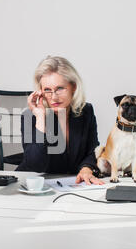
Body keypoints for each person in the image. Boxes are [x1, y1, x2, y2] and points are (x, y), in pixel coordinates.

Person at [16, 56, 104, 185]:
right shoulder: (31, 116)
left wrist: (86, 168)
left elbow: (92, 149)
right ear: (40, 92)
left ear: (73, 87)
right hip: (36, 186)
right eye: (47, 90)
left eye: (60, 89)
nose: (54, 97)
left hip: (73, 185)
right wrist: (41, 119)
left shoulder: (86, 111)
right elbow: (35, 166)